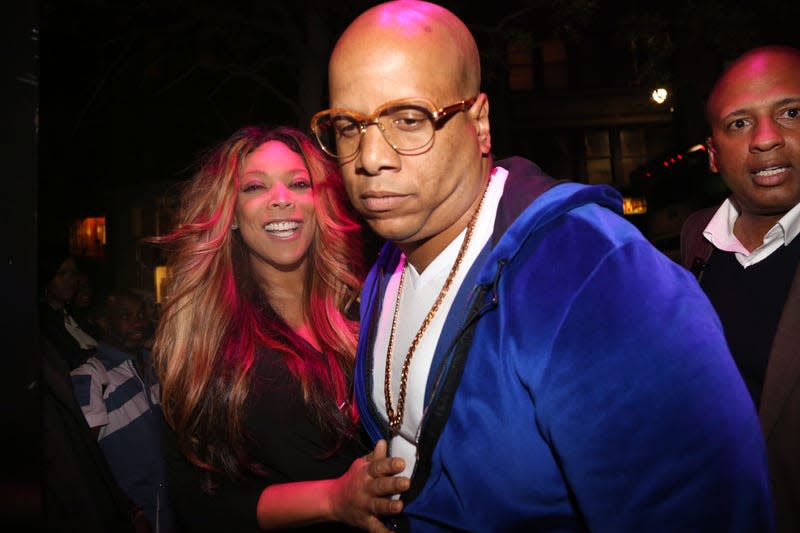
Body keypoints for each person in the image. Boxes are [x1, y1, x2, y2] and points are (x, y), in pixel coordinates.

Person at [310, 1, 775, 531]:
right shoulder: (389, 260)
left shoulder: (593, 274)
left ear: (479, 123)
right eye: (348, 126)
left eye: (409, 119)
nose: (371, 156)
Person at [149, 125, 409, 532]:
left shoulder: (370, 309)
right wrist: (333, 498)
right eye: (255, 187)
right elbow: (199, 502)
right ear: (231, 213)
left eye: (299, 183)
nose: (282, 200)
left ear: (319, 202)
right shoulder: (206, 340)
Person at [680, 45, 800, 533]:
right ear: (712, 155)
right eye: (739, 124)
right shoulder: (694, 241)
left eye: (791, 113)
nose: (766, 140)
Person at [71, 287, 175, 532]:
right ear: (104, 322)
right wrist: (128, 510)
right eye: (125, 317)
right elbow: (83, 462)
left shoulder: (152, 364)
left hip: (169, 505)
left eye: (140, 314)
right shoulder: (91, 377)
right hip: (133, 515)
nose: (138, 322)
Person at [38, 243, 97, 369]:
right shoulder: (43, 322)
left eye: (73, 273)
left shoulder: (76, 315)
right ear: (47, 278)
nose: (70, 280)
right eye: (62, 273)